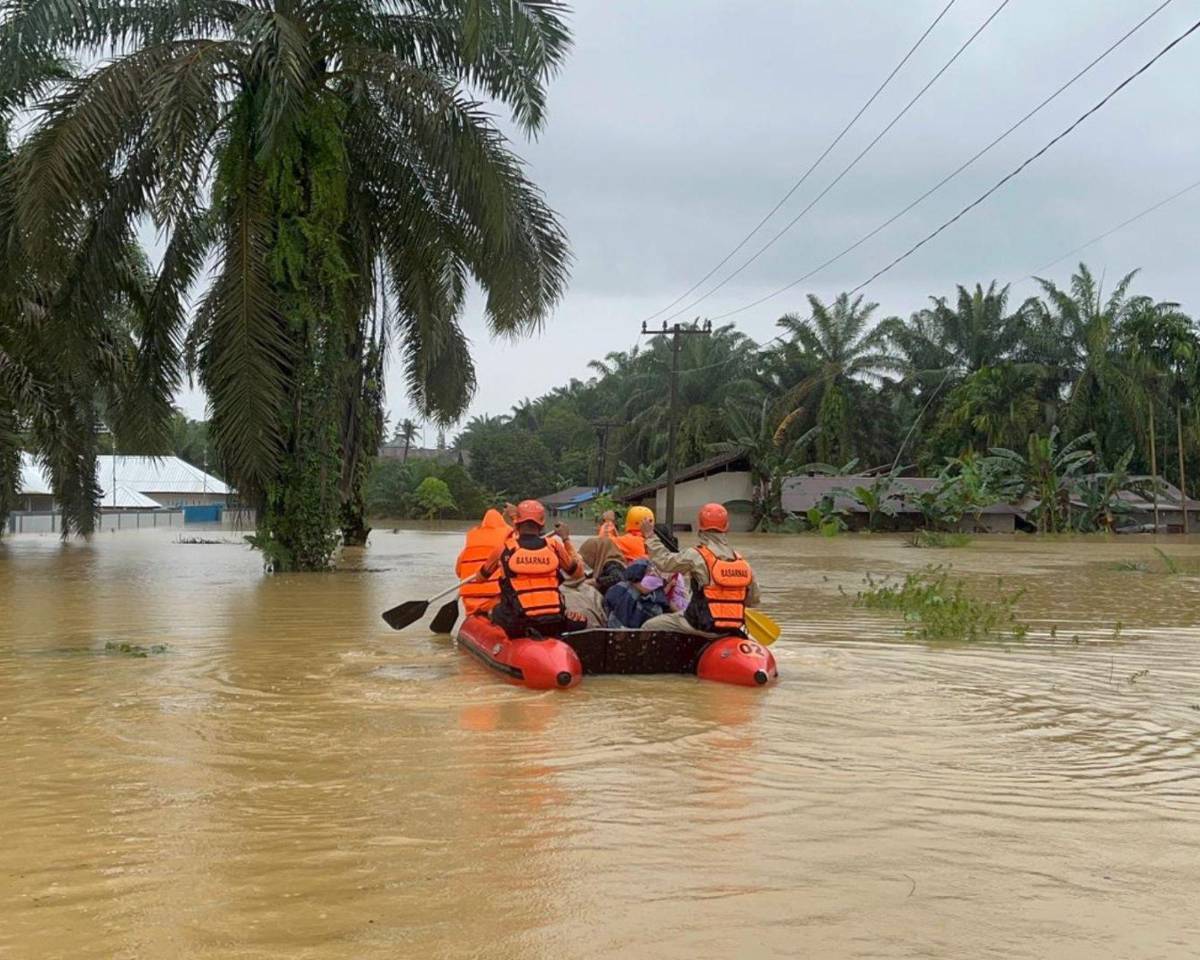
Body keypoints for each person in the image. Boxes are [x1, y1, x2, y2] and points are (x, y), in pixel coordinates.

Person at [640, 503, 759, 637]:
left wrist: (650, 536)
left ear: (700, 527)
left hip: (702, 624)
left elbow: (664, 562)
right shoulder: (742, 562)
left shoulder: (696, 555)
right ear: (727, 527)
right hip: (732, 628)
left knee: (649, 625)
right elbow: (753, 601)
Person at [476, 499, 587, 638]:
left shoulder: (504, 548)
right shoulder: (554, 546)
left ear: (517, 523)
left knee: (494, 610)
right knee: (581, 621)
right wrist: (566, 539)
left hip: (518, 624)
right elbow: (578, 574)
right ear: (542, 524)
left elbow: (480, 578)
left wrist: (502, 568)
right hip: (554, 621)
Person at [454, 507, 512, 616]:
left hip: (469, 599)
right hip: (495, 598)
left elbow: (458, 571)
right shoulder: (507, 541)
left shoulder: (469, 546)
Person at [603, 558, 668, 629]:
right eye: (648, 572)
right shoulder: (619, 590)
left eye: (654, 574)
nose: (652, 574)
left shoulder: (657, 601)